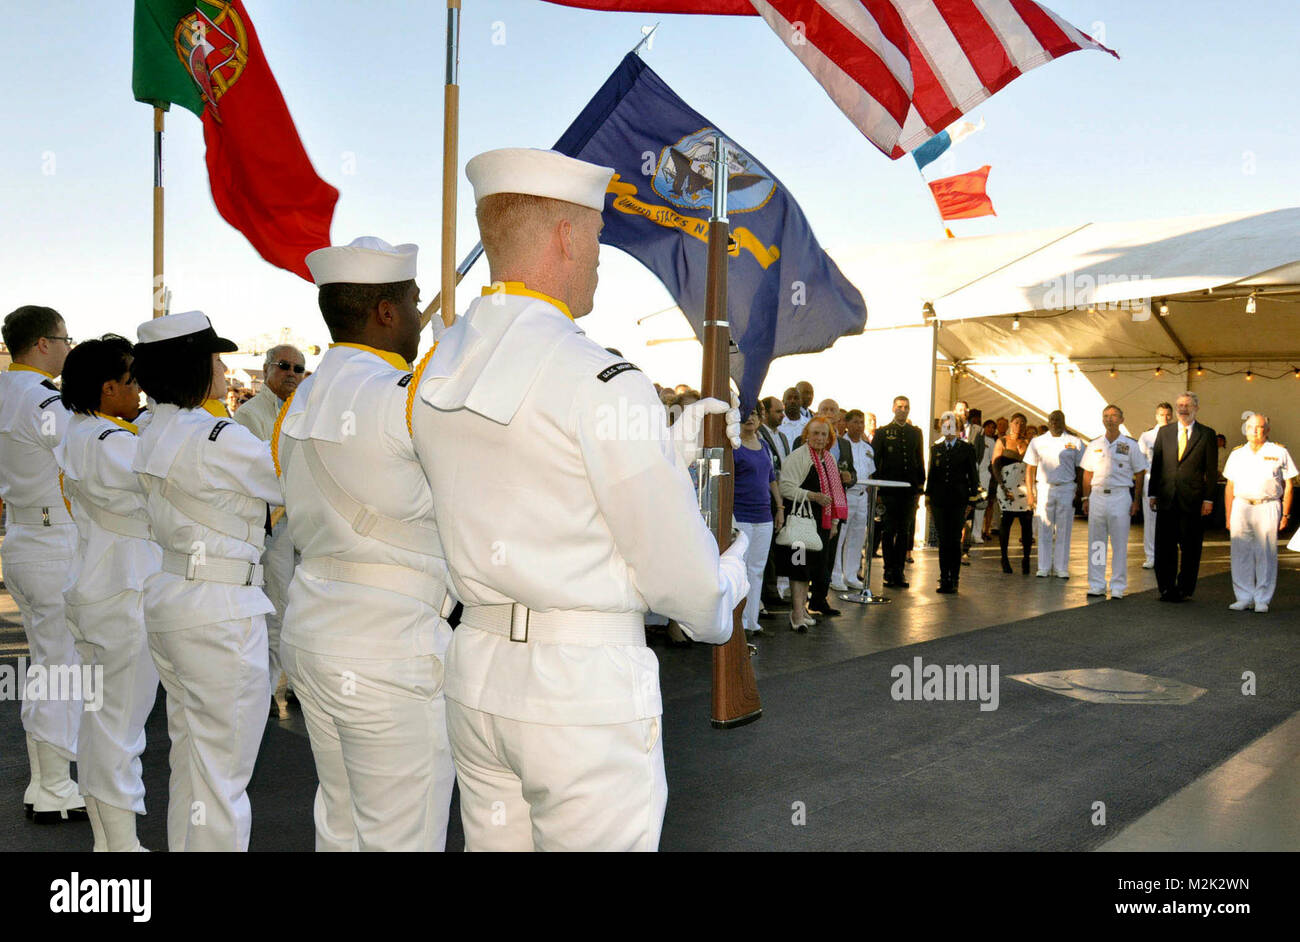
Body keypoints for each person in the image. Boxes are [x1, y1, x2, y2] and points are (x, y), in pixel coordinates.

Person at [408, 147, 748, 851]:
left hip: (477, 672)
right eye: (595, 237)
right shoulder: (601, 378)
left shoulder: (434, 371)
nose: (597, 257)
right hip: (579, 690)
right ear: (565, 236)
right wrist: (729, 577)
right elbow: (685, 587)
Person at [274, 237, 456, 851]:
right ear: (386, 312)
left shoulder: (297, 401)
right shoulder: (407, 396)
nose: (419, 310)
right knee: (401, 837)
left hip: (314, 631)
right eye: (413, 300)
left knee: (343, 824)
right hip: (390, 644)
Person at [131, 310, 282, 852]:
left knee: (192, 762)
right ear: (192, 368)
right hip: (220, 609)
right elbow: (296, 482)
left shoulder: (150, 430)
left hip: (174, 596)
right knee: (223, 775)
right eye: (215, 360)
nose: (222, 370)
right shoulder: (220, 437)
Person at [53, 335, 160, 850]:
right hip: (124, 595)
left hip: (100, 592)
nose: (139, 390)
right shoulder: (113, 443)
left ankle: (110, 841)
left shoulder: (83, 431)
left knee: (103, 725)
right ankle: (121, 847)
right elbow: (169, 484)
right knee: (119, 729)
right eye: (132, 381)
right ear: (108, 388)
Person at [0, 305, 85, 823]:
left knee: (47, 665)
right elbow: (84, 455)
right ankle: (54, 788)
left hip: (23, 535)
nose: (68, 347)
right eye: (64, 338)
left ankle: (44, 782)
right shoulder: (44, 401)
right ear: (40, 344)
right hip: (54, 540)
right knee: (62, 668)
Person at [234, 344, 306, 713]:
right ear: (266, 370)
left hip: (304, 526)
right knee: (276, 615)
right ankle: (260, 702)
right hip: (272, 528)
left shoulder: (305, 411)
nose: (292, 373)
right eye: (284, 366)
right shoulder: (249, 416)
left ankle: (294, 683)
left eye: (299, 368)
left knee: (301, 611)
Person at [1148, 392, 1218, 602]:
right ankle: (1166, 588)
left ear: (1196, 408)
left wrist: (1208, 499)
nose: (1183, 409)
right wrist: (1152, 493)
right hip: (1167, 498)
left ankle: (1185, 588)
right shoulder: (1165, 432)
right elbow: (1157, 464)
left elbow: (1211, 471)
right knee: (1164, 547)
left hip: (1193, 501)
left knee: (1190, 547)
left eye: (1187, 405)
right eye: (1180, 405)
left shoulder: (1206, 434)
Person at [1223, 414, 1295, 613]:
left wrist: (1285, 515)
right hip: (1241, 505)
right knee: (1240, 553)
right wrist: (1229, 515)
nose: (1255, 431)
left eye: (1260, 427)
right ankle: (1243, 597)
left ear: (1268, 430)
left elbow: (1288, 485)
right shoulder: (1237, 454)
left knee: (1266, 553)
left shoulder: (1279, 451)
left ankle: (1262, 598)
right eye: (1251, 427)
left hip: (1268, 505)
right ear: (1245, 430)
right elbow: (1229, 486)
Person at [778, 417, 846, 626]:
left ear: (829, 438)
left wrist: (834, 522)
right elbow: (785, 488)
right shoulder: (798, 457)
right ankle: (797, 613)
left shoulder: (829, 459)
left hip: (821, 525)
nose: (819, 437)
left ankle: (802, 610)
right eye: (815, 433)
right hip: (800, 523)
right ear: (807, 434)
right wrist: (813, 496)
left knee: (813, 567)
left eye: (824, 434)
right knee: (799, 567)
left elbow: (835, 493)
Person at [1080, 404, 1146, 600]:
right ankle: (1097, 584)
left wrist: (1136, 501)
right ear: (1102, 420)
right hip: (1098, 496)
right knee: (1097, 543)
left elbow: (1140, 472)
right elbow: (1087, 473)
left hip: (1120, 496)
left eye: (1114, 416)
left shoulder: (1131, 445)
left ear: (1121, 420)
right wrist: (1085, 498)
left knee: (1119, 543)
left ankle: (1118, 585)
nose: (1110, 419)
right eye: (1106, 416)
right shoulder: (1094, 445)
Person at [734, 406, 783, 636]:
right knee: (740, 570)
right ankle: (739, 622)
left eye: (754, 414)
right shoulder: (733, 447)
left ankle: (752, 621)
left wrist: (780, 508)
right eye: (744, 415)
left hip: (764, 517)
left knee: (757, 570)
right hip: (741, 516)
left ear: (760, 418)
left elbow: (771, 479)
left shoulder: (764, 446)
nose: (749, 419)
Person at [872, 396, 925, 588]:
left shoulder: (915, 432)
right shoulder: (883, 432)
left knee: (904, 532)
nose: (903, 410)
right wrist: (877, 489)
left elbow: (919, 459)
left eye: (906, 407)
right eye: (900, 407)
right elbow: (875, 462)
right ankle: (888, 570)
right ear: (893, 408)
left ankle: (899, 571)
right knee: (888, 531)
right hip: (888, 490)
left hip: (909, 490)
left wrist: (920, 485)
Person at [1024, 410, 1083, 579]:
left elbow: (1081, 469)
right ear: (1048, 422)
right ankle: (1043, 566)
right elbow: (1030, 469)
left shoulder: (1075, 441)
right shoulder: (1037, 441)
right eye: (1052, 420)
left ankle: (1061, 567)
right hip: (1044, 487)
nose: (1055, 423)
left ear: (1064, 422)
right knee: (1044, 528)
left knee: (1064, 529)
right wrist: (1030, 493)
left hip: (1066, 488)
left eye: (1058, 420)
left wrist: (1078, 492)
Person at [926, 412, 979, 593]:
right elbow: (932, 474)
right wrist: (928, 497)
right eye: (945, 426)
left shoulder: (966, 448)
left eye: (952, 426)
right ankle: (944, 577)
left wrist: (972, 500)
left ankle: (954, 577)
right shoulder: (936, 448)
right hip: (940, 500)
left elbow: (973, 475)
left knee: (954, 539)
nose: (948, 430)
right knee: (943, 539)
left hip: (958, 500)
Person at [831, 409, 875, 590]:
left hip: (862, 495)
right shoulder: (841, 445)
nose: (859, 426)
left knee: (857, 537)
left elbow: (870, 474)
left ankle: (851, 575)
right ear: (847, 424)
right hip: (846, 494)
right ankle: (835, 576)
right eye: (855, 422)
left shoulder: (867, 448)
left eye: (862, 422)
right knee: (840, 537)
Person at [991, 413, 1034, 574]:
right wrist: (1002, 486)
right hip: (1007, 487)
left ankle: (1026, 558)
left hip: (1024, 487)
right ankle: (1004, 558)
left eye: (1023, 423)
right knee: (1006, 522)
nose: (1019, 426)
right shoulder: (1002, 441)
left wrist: (1032, 490)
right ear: (1011, 424)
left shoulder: (1029, 443)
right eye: (1016, 422)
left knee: (1027, 522)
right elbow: (995, 465)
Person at [1137, 403, 1173, 569]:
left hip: (1171, 482)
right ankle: (1151, 556)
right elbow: (1140, 461)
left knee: (1168, 521)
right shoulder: (1147, 436)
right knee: (1151, 521)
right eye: (1161, 415)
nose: (1164, 418)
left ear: (1171, 416)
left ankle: (1165, 555)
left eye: (1167, 415)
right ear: (1156, 416)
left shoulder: (1178, 434)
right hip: (1151, 480)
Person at [758, 395, 791, 468]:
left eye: (783, 411)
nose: (783, 415)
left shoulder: (783, 436)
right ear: (765, 413)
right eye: (778, 412)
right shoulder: (758, 435)